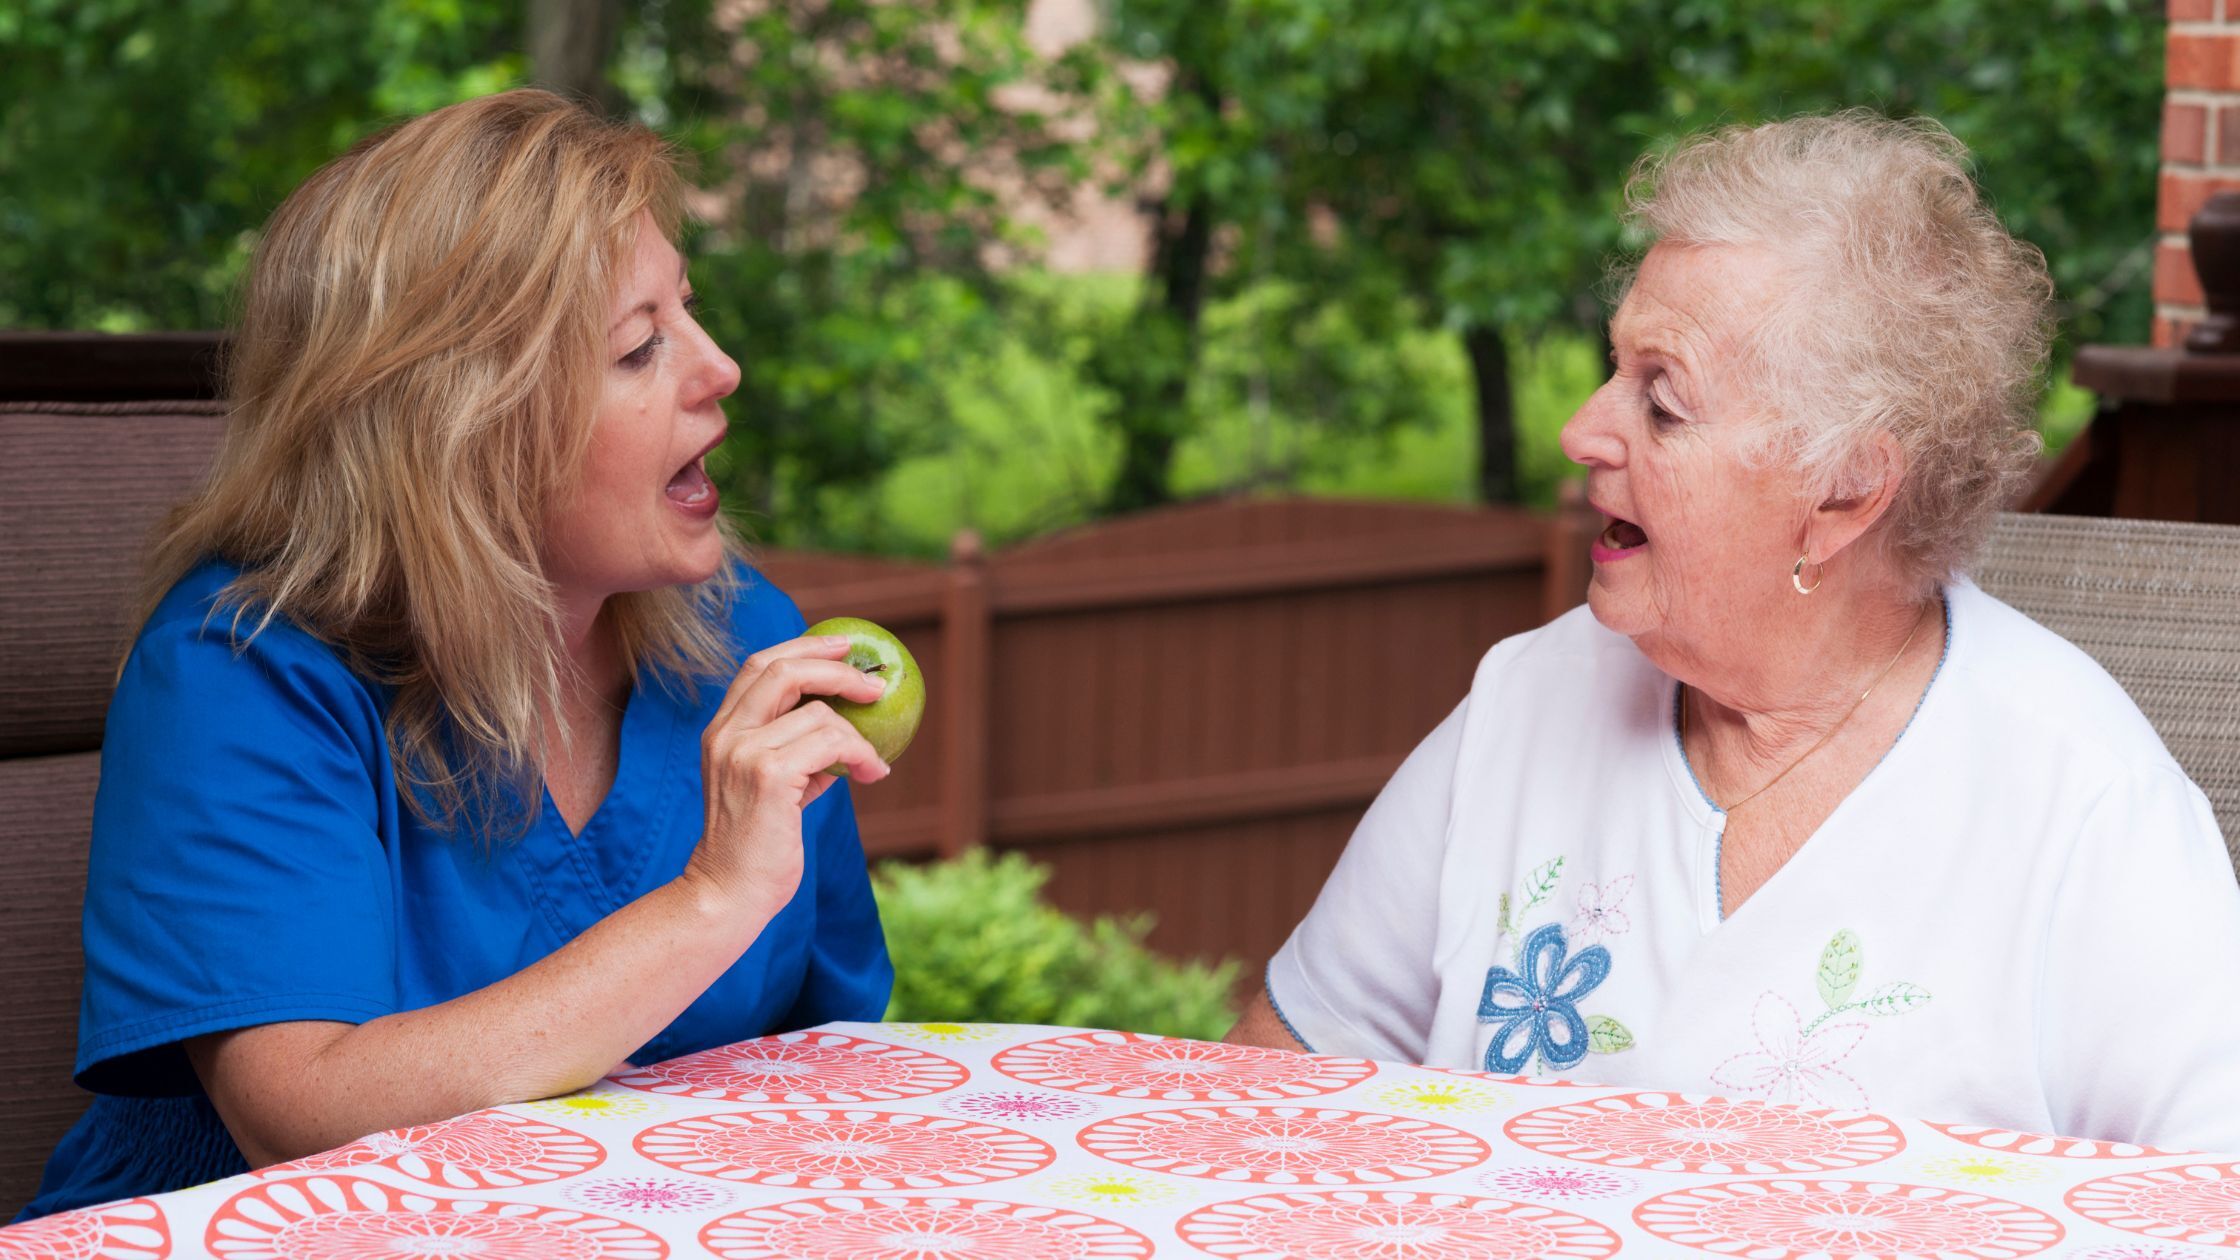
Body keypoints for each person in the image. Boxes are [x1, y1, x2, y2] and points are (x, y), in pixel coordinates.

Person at [1228, 111, 2240, 1150]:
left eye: (1662, 403)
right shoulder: (1525, 703)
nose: (1581, 431)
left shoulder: (2082, 805)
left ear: (1845, 491)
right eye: (1613, 369)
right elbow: (1281, 1081)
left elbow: (2209, 1195)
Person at [22, 90, 895, 1218]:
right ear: (459, 425)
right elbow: (301, 1114)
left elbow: (829, 1063)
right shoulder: (238, 670)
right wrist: (710, 901)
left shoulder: (750, 642)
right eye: (639, 346)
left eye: (689, 311)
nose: (720, 367)